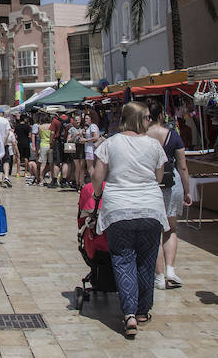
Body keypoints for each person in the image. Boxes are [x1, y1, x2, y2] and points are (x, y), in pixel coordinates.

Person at [91, 101, 168, 338]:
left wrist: (96, 195)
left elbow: (97, 176)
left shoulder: (110, 143)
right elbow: (158, 176)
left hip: (119, 208)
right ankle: (143, 310)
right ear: (138, 119)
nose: (149, 121)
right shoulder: (154, 145)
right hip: (150, 207)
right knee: (147, 259)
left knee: (123, 259)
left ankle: (129, 314)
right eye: (146, 118)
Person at [146, 100, 193, 290]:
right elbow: (182, 166)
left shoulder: (143, 136)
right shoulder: (173, 136)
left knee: (154, 232)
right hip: (171, 183)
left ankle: (158, 276)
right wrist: (188, 190)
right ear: (161, 116)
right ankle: (171, 270)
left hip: (151, 184)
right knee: (171, 229)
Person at [67, 113, 87, 190]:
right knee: (77, 167)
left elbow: (85, 139)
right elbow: (68, 140)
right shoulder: (71, 129)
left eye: (78, 120)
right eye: (76, 120)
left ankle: (81, 183)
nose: (77, 121)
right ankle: (78, 184)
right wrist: (75, 135)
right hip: (75, 147)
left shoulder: (83, 128)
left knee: (82, 167)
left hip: (82, 147)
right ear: (74, 121)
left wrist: (82, 134)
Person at [37, 114, 54, 187]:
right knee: (51, 164)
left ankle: (41, 180)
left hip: (43, 145)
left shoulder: (40, 127)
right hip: (50, 145)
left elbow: (40, 137)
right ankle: (51, 179)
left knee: (42, 164)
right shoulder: (51, 126)